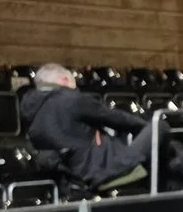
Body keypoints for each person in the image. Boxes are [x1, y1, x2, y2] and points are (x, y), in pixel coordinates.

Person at [20, 63, 153, 191]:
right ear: (65, 80)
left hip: (70, 181)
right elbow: (118, 119)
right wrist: (143, 125)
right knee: (158, 127)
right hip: (106, 171)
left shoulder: (30, 111)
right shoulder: (71, 99)